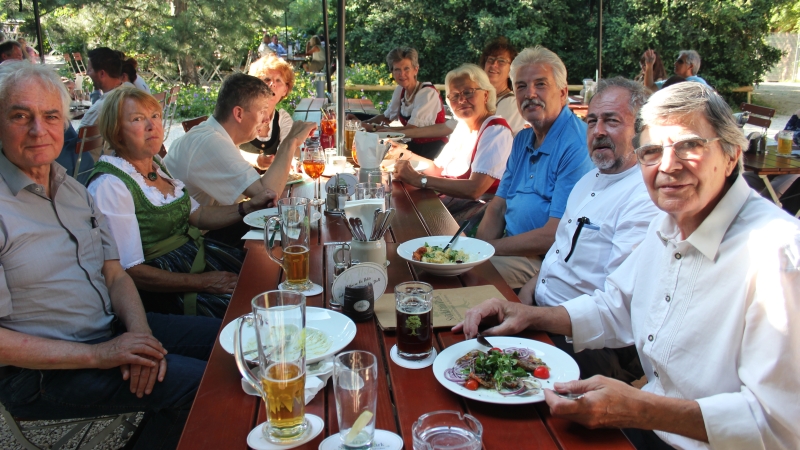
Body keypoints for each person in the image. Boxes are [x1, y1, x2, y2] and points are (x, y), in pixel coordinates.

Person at [455, 82, 800, 450]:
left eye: (689, 145)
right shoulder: (666, 225)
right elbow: (615, 306)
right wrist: (525, 314)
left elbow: (780, 425)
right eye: (652, 151)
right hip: (646, 426)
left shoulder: (777, 254)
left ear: (731, 154)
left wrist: (639, 410)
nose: (668, 165)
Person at [0, 60, 220, 450]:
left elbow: (116, 275)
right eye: (21, 115)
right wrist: (102, 355)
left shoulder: (72, 191)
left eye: (51, 115)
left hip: (109, 329)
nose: (39, 129)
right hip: (39, 373)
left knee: (237, 338)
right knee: (206, 388)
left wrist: (138, 335)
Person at [515, 77, 659, 383]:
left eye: (612, 121)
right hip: (541, 312)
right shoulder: (588, 180)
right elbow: (561, 250)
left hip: (587, 343)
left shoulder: (644, 197)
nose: (598, 131)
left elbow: (620, 309)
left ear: (642, 130)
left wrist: (533, 317)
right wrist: (532, 286)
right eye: (592, 121)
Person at [87, 87, 276, 318]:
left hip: (196, 258)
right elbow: (131, 271)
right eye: (137, 119)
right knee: (254, 312)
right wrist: (202, 282)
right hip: (169, 288)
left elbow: (198, 215)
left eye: (155, 116)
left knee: (271, 278)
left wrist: (248, 206)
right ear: (116, 133)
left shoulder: (154, 164)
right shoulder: (111, 184)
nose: (152, 126)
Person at [476, 46, 593, 289]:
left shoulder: (576, 143)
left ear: (562, 93)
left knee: (464, 277)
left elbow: (554, 234)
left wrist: (484, 251)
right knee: (449, 265)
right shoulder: (522, 140)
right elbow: (498, 207)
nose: (529, 94)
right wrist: (474, 254)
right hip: (512, 251)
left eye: (540, 84)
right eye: (521, 86)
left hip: (550, 261)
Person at [164, 73, 316, 243]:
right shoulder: (210, 142)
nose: (267, 119)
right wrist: (290, 142)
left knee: (297, 225)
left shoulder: (215, 135)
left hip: (203, 231)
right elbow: (266, 196)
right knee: (298, 234)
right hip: (190, 244)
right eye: (262, 111)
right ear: (238, 114)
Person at [393, 63, 513, 226]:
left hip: (479, 214)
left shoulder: (496, 130)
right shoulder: (462, 127)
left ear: (485, 94)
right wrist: (403, 154)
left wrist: (419, 180)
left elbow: (475, 189)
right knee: (396, 210)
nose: (462, 100)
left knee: (405, 220)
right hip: (452, 203)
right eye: (454, 96)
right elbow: (437, 169)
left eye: (468, 92)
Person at [397, 37, 526, 141]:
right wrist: (393, 132)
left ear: (512, 68)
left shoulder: (512, 103)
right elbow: (445, 127)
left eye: (501, 61)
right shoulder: (475, 100)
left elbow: (496, 142)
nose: (494, 64)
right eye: (490, 60)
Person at [353, 47, 449, 159]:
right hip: (415, 146)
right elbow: (387, 117)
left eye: (406, 69)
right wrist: (360, 123)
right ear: (392, 72)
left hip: (434, 150)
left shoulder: (427, 93)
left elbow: (412, 129)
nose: (402, 74)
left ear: (416, 70)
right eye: (397, 70)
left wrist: (371, 127)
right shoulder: (401, 90)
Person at [239, 54, 296, 170]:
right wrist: (255, 160)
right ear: (256, 85)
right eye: (267, 79)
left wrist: (292, 159)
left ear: (285, 90)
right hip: (240, 183)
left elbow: (289, 149)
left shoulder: (282, 118)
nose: (272, 84)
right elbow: (225, 149)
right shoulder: (241, 113)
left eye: (278, 80)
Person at [81, 47, 134, 129]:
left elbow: (79, 140)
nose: (87, 73)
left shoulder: (99, 109)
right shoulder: (131, 90)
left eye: (89, 70)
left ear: (102, 73)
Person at [644, 49, 708, 91]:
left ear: (690, 66)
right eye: (676, 61)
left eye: (680, 62)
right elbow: (649, 88)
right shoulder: (673, 82)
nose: (675, 64)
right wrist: (649, 65)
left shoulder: (698, 82)